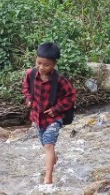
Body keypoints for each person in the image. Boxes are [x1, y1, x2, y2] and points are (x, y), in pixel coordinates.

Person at [22, 42, 78, 184]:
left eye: (46, 65)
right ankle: (53, 159)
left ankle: (48, 179)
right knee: (46, 145)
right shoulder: (31, 74)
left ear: (54, 64)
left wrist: (56, 109)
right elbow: (26, 87)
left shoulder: (59, 80)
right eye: (38, 62)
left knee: (48, 145)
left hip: (54, 119)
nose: (41, 67)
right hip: (37, 118)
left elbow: (71, 95)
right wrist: (28, 99)